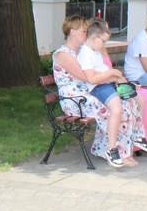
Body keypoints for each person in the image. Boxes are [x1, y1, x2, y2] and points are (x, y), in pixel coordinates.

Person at [77, 20, 147, 166]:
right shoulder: (85, 54)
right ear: (94, 38)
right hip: (98, 87)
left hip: (108, 83)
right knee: (117, 109)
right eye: (103, 41)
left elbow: (103, 72)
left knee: (138, 99)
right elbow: (92, 79)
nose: (104, 44)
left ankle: (138, 135)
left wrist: (116, 77)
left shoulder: (95, 51)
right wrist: (112, 73)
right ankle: (111, 148)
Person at [52, 16, 121, 166]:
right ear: (72, 32)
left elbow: (99, 69)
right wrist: (111, 76)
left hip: (87, 93)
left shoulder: (83, 51)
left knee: (121, 105)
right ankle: (113, 149)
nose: (87, 34)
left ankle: (111, 148)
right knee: (112, 108)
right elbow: (87, 78)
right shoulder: (63, 54)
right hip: (74, 100)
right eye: (84, 31)